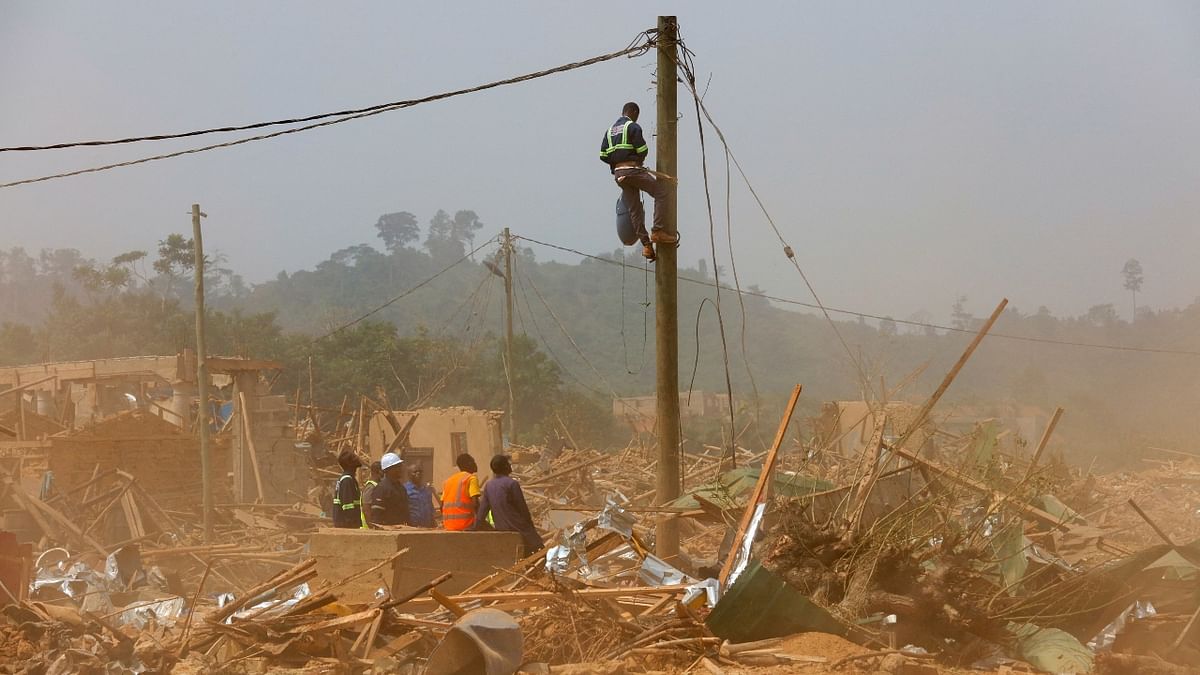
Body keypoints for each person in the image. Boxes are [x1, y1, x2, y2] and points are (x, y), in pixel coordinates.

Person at [600, 101, 676, 261]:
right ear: (633, 112)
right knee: (662, 192)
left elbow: (603, 155)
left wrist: (617, 163)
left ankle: (647, 246)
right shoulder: (632, 127)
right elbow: (643, 150)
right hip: (633, 171)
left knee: (634, 211)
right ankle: (658, 231)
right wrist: (635, 161)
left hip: (619, 175)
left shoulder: (609, 131)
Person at [477, 455, 543, 556]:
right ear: (505, 467)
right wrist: (530, 527)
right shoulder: (512, 484)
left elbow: (482, 513)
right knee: (538, 547)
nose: (510, 465)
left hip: (501, 527)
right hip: (516, 526)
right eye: (508, 464)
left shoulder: (489, 485)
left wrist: (474, 527)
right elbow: (523, 509)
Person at [367, 452, 411, 526]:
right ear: (388, 469)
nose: (400, 469)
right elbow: (377, 516)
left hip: (402, 531)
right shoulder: (381, 489)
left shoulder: (401, 488)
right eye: (397, 467)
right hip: (388, 532)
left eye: (400, 466)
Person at [441, 453, 481, 531]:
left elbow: (441, 505)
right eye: (473, 461)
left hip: (448, 526)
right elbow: (475, 504)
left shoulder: (448, 481)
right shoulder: (471, 478)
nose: (475, 464)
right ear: (469, 464)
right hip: (466, 524)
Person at [332, 450, 366, 529]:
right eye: (354, 457)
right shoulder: (347, 480)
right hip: (346, 525)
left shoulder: (348, 478)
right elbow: (348, 506)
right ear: (349, 464)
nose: (357, 458)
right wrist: (353, 526)